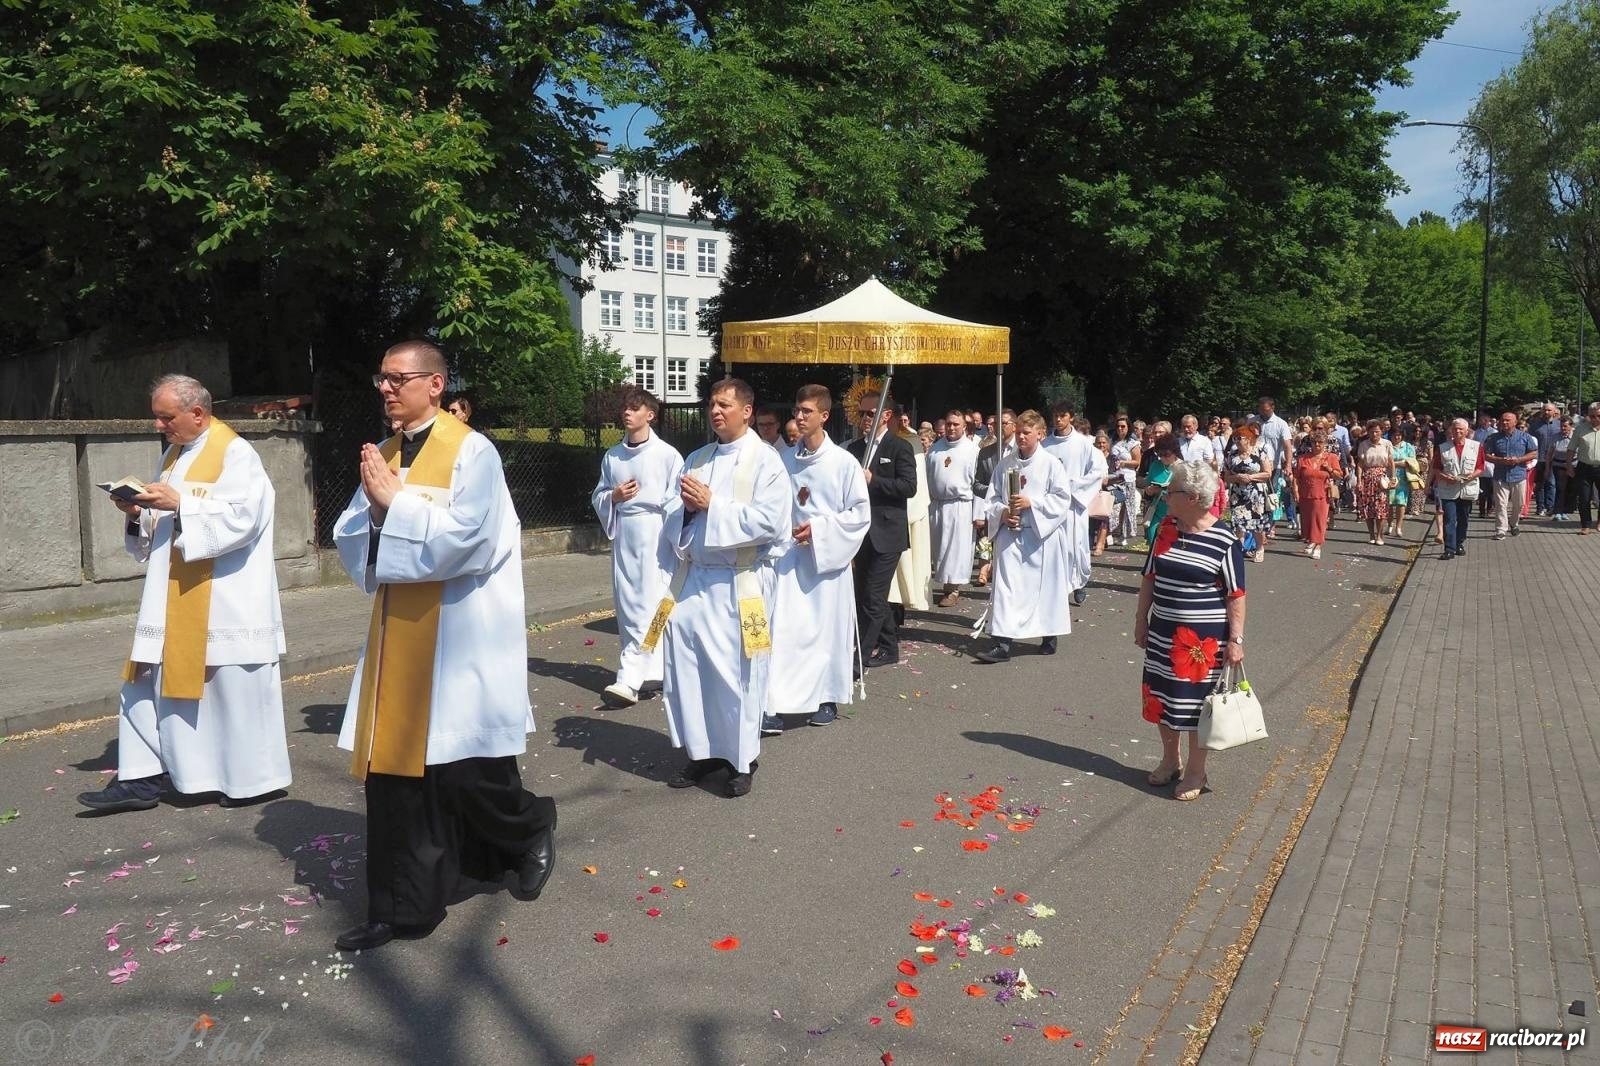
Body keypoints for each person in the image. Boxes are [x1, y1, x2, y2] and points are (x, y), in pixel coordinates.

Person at [332, 340, 554, 951]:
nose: (385, 389)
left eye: (397, 378)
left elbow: (472, 541)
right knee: (395, 777)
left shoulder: (473, 452)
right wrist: (378, 513)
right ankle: (402, 909)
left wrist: (395, 504)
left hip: (461, 634)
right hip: (400, 635)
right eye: (380, 378)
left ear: (435, 385)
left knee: (469, 775)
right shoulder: (384, 452)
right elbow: (351, 531)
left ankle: (530, 827)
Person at [78, 374, 292, 814]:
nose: (158, 426)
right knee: (145, 682)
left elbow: (246, 519)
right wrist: (138, 511)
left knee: (229, 693)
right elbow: (164, 522)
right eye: (156, 417)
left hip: (225, 600)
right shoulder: (175, 456)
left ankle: (242, 779)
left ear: (197, 412)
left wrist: (183, 505)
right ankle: (144, 777)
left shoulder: (236, 454)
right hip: (169, 593)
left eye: (165, 417)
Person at [658, 378, 791, 796]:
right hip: (694, 580)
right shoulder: (696, 458)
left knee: (740, 673)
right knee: (690, 671)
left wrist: (713, 505)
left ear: (746, 410)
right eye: (712, 404)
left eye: (725, 404)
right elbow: (670, 514)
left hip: (741, 583)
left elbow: (770, 522)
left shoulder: (766, 461)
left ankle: (741, 758)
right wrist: (684, 510)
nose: (715, 411)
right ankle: (702, 754)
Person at [1134, 460, 1246, 803]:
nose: (1166, 497)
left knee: (1197, 708)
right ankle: (1171, 760)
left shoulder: (1225, 540)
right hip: (1163, 634)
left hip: (1201, 643)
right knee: (1162, 698)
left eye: (1172, 492)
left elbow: (1236, 595)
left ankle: (1197, 769)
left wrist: (1236, 640)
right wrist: (1141, 619)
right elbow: (1149, 577)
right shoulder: (1167, 528)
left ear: (1194, 497)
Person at [766, 385, 870, 731]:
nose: (799, 416)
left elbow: (859, 514)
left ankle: (826, 697)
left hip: (826, 561)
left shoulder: (843, 463)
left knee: (825, 632)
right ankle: (778, 701)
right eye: (797, 409)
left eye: (807, 411)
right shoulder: (783, 461)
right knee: (786, 631)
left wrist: (821, 530)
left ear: (824, 416)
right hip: (790, 561)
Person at [591, 387, 684, 708]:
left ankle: (632, 675)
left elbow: (677, 502)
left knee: (656, 605)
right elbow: (599, 495)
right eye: (625, 408)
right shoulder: (613, 456)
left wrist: (676, 540)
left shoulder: (668, 456)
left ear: (650, 415)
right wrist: (613, 498)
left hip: (657, 536)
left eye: (634, 408)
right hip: (625, 538)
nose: (626, 413)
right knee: (629, 605)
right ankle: (646, 672)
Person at [975, 411, 1075, 663]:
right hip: (1011, 535)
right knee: (1006, 589)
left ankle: (1048, 633)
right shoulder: (1005, 464)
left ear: (1040, 434)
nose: (1020, 436)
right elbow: (992, 499)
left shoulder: (1051, 464)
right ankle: (1003, 643)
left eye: (1026, 432)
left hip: (1041, 537)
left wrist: (1033, 502)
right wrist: (1004, 513)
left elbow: (1063, 499)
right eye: (1018, 432)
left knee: (1044, 590)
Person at [848, 392, 918, 667]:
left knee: (873, 596)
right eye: (861, 413)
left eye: (869, 414)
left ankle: (860, 656)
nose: (864, 419)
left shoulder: (899, 447)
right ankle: (890, 647)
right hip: (861, 533)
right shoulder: (854, 449)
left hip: (888, 533)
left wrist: (874, 480)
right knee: (864, 593)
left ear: (885, 415)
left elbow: (908, 487)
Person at [1041, 401, 1103, 606]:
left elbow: (1097, 472)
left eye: (1062, 415)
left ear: (1071, 417)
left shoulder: (1083, 443)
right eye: (1055, 416)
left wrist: (1073, 486)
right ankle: (1056, 586)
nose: (1058, 420)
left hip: (1073, 504)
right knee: (1053, 547)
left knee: (1074, 546)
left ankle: (1078, 582)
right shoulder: (1045, 445)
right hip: (1051, 505)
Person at [928, 409, 979, 606]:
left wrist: (979, 513)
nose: (951, 427)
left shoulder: (972, 450)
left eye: (956, 424)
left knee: (957, 549)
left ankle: (953, 589)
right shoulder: (935, 449)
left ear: (964, 427)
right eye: (949, 423)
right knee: (940, 548)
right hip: (938, 504)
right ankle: (943, 585)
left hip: (961, 505)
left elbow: (979, 483)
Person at [888, 412, 933, 621]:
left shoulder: (910, 441)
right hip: (876, 513)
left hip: (903, 512)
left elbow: (916, 482)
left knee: (901, 574)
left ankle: (895, 616)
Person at [1432, 417, 1483, 559]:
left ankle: (1459, 543)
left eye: (1461, 429)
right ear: (1451, 431)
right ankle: (1449, 549)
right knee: (1449, 518)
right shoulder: (1443, 447)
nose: (1458, 431)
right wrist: (1444, 477)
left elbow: (1480, 467)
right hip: (1448, 488)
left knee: (1463, 519)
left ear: (1467, 431)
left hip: (1467, 488)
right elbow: (1436, 468)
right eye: (1455, 429)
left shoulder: (1476, 446)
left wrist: (1471, 476)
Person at [1482, 411, 1539, 540]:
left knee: (1519, 504)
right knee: (1500, 504)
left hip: (1519, 475)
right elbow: (1485, 455)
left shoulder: (1525, 437)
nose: (1504, 422)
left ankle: (1514, 523)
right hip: (1500, 476)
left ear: (1515, 422)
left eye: (1508, 420)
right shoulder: (1493, 438)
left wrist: (1519, 460)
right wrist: (1501, 460)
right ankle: (1501, 529)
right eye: (1503, 420)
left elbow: (1534, 453)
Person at [1221, 423, 1273, 562]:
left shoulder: (1260, 452)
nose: (1237, 441)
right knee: (1238, 523)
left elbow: (1267, 473)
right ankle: (1238, 550)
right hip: (1238, 493)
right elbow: (1226, 476)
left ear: (1248, 439)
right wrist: (1237, 477)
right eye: (1235, 439)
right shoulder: (1232, 454)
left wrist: (1250, 477)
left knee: (1257, 524)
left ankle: (1259, 548)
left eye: (1240, 438)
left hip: (1256, 494)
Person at [1290, 430, 1342, 560]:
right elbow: (1296, 477)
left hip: (1322, 494)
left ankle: (1318, 545)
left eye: (1320, 442)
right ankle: (1311, 541)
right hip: (1305, 493)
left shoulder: (1331, 457)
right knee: (1307, 520)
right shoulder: (1303, 458)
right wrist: (1295, 491)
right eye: (1314, 442)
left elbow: (1339, 475)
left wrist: (1329, 469)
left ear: (1325, 444)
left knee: (1319, 520)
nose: (1317, 445)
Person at [1353, 419, 1396, 546]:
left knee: (1381, 507)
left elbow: (1391, 462)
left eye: (1377, 432)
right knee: (1368, 507)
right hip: (1367, 478)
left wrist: (1392, 478)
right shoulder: (1363, 445)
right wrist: (1359, 480)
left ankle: (1380, 535)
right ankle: (1371, 534)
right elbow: (1360, 464)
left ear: (1382, 432)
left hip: (1382, 479)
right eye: (1372, 432)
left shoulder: (1387, 444)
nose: (1375, 434)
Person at [1142, 434, 1183, 541]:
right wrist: (1150, 490)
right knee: (1154, 542)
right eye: (1160, 454)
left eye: (1166, 454)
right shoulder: (1155, 465)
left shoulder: (1183, 467)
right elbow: (1147, 488)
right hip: (1156, 510)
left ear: (1175, 452)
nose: (1162, 458)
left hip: (1175, 513)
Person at [1109, 415, 1142, 546]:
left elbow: (1137, 461)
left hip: (1128, 478)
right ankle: (1111, 532)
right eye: (1118, 426)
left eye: (1123, 426)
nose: (1120, 429)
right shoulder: (1113, 441)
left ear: (1128, 428)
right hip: (1114, 478)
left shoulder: (1133, 443)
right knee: (1114, 506)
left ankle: (1125, 534)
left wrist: (1124, 462)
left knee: (1127, 507)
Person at [1385, 427, 1419, 540]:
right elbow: (1384, 461)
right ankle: (1390, 524)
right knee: (1388, 502)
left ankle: (1399, 527)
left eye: (1399, 435)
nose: (1397, 437)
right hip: (1389, 476)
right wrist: (1399, 463)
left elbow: (1411, 462)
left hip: (1404, 478)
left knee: (1401, 502)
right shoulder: (1386, 446)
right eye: (1395, 434)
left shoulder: (1408, 447)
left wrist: (1394, 463)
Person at [1531, 402, 1564, 516]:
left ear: (1555, 411)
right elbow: (1530, 441)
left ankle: (1550, 507)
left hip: (1554, 459)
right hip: (1539, 458)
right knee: (1539, 484)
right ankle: (1540, 507)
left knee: (1551, 483)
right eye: (1545, 410)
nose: (1546, 412)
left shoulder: (1559, 425)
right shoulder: (1535, 425)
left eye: (1549, 410)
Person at [1572, 402, 1600, 534]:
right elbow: (1571, 448)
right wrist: (1568, 466)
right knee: (1584, 497)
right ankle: (1586, 525)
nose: (1595, 419)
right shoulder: (1580, 428)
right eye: (1592, 416)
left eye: (1598, 416)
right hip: (1584, 467)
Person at [1091, 430, 1115, 555]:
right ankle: (1089, 543)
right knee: (1090, 519)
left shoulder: (1112, 458)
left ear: (1108, 444)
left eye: (1103, 443)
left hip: (1106, 490)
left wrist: (1108, 479)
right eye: (1099, 443)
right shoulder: (1091, 456)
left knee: (1102, 518)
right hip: (1091, 490)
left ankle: (1099, 545)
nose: (1101, 445)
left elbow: (1118, 474)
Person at [1550, 415, 1577, 520]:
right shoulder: (1555, 436)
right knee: (1560, 488)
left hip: (1573, 465)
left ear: (1571, 426)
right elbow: (1550, 453)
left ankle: (1566, 510)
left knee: (1571, 488)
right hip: (1559, 465)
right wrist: (1548, 467)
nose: (1563, 428)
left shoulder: (1575, 437)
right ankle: (1557, 511)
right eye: (1561, 426)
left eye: (1565, 426)